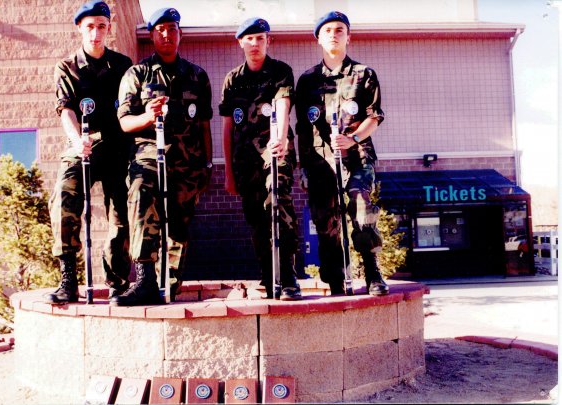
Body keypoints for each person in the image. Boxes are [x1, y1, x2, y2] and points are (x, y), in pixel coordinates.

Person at [113, 7, 213, 306]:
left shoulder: (197, 76)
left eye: (172, 29)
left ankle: (168, 284)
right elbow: (124, 122)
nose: (167, 35)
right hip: (148, 158)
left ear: (180, 34)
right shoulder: (137, 74)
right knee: (142, 201)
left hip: (187, 164)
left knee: (179, 226)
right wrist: (148, 116)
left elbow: (204, 125)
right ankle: (144, 279)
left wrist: (208, 164)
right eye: (161, 30)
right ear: (152, 35)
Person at [295, 11, 389, 296]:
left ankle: (372, 272)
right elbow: (303, 128)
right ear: (318, 39)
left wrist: (352, 139)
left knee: (361, 208)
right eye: (327, 31)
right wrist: (304, 167)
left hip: (357, 157)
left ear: (349, 36)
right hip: (320, 161)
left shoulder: (363, 74)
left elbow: (374, 116)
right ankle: (336, 281)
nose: (333, 35)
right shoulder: (307, 80)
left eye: (339, 30)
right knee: (325, 222)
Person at [45, 0, 133, 304]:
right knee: (64, 194)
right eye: (90, 27)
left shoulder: (122, 65)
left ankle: (117, 280)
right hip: (82, 143)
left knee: (122, 211)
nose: (96, 33)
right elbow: (65, 109)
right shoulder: (67, 66)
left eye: (101, 27)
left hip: (118, 146)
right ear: (80, 28)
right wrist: (76, 139)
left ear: (108, 28)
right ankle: (68, 277)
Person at [220, 18, 302, 300]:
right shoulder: (233, 80)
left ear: (268, 41)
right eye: (249, 38)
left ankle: (288, 276)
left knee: (277, 202)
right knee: (256, 218)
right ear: (240, 42)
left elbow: (283, 105)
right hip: (245, 161)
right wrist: (228, 172)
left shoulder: (280, 71)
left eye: (260, 38)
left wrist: (280, 138)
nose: (255, 43)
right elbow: (228, 128)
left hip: (274, 151)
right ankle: (269, 276)